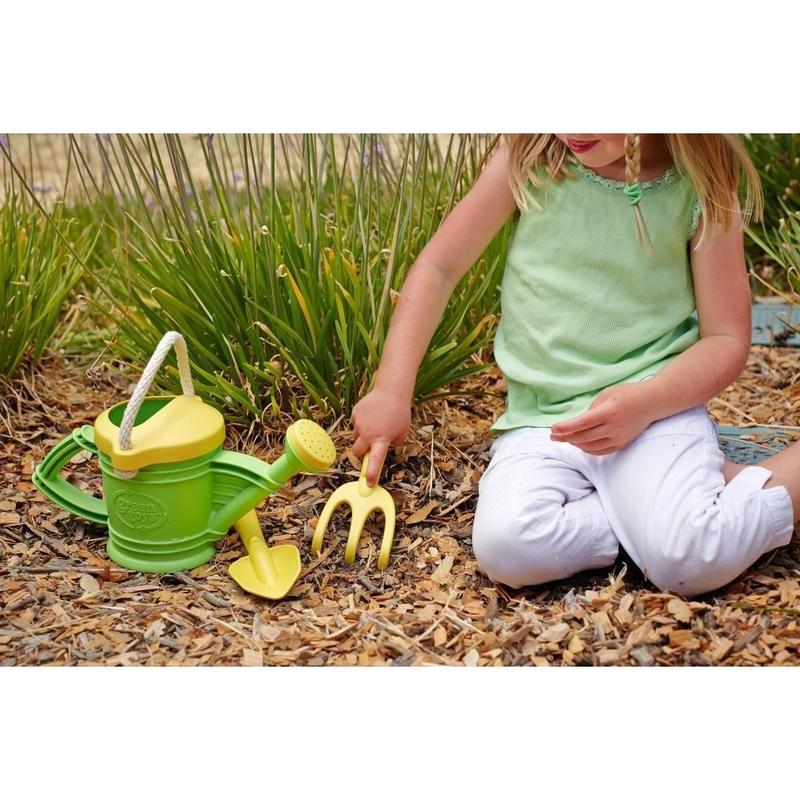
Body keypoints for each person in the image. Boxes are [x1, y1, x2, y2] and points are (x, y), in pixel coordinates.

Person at [350, 134, 797, 598]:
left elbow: (726, 338)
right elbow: (439, 267)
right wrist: (391, 390)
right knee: (506, 546)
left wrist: (647, 402)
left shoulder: (699, 186)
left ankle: (730, 493)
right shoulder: (531, 158)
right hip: (543, 422)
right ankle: (662, 511)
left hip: (653, 409)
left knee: (687, 563)